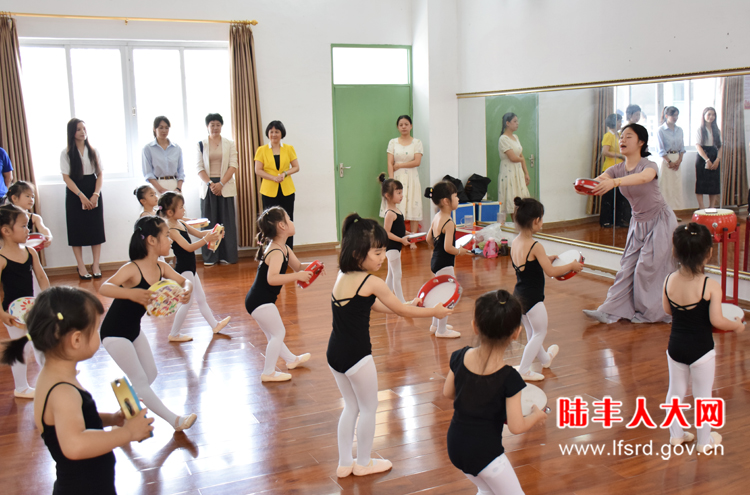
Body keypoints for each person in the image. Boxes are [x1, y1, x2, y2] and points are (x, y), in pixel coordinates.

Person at [328, 213, 451, 478]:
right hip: (357, 356)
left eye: (383, 251)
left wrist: (406, 304)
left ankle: (344, 463)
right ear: (358, 252)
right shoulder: (371, 282)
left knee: (351, 406)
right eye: (377, 253)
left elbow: (374, 305)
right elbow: (399, 310)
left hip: (334, 354)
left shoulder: (342, 276)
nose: (383, 258)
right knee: (369, 408)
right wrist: (434, 312)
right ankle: (363, 463)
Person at [0, 287, 153, 494]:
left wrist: (111, 419)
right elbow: (75, 445)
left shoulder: (52, 376)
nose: (98, 334)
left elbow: (72, 420)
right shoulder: (63, 391)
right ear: (77, 340)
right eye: (96, 329)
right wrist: (128, 432)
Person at [444, 290, 547, 495]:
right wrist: (536, 416)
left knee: (486, 490)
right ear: (516, 333)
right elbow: (516, 426)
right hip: (487, 456)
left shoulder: (459, 356)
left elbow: (448, 392)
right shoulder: (510, 378)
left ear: (475, 326)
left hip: (455, 446)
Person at [99, 216, 197, 431]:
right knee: (141, 379)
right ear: (152, 240)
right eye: (167, 236)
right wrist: (131, 293)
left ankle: (123, 412)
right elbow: (104, 287)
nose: (170, 240)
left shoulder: (161, 267)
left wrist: (187, 290)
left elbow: (184, 280)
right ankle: (175, 420)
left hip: (134, 330)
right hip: (114, 333)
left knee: (150, 374)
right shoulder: (132, 268)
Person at [583, 124, 678, 324]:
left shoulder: (649, 165)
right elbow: (599, 180)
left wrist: (615, 182)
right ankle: (609, 311)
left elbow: (644, 178)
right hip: (638, 223)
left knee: (646, 267)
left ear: (641, 142)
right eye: (621, 137)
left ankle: (650, 313)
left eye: (628, 136)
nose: (622, 140)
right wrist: (585, 186)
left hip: (660, 220)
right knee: (627, 267)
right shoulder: (616, 169)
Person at [662, 223, 744, 452]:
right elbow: (717, 320)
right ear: (709, 253)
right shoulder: (710, 285)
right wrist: (736, 326)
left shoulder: (668, 280)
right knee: (703, 396)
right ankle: (703, 442)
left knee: (675, 392)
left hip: (675, 348)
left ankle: (676, 436)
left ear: (675, 251)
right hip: (701, 350)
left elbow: (668, 310)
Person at [511, 197, 581, 381]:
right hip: (533, 298)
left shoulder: (515, 242)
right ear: (536, 221)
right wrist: (571, 265)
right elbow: (551, 272)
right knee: (540, 333)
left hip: (519, 295)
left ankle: (545, 359)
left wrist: (545, 259)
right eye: (541, 218)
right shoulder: (535, 246)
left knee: (532, 332)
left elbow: (528, 264)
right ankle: (524, 369)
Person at [245, 207, 314, 382]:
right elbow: (272, 279)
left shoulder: (284, 248)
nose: (292, 222)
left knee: (273, 334)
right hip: (260, 301)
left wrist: (316, 266)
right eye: (289, 219)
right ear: (282, 226)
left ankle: (291, 360)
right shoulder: (275, 251)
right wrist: (298, 277)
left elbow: (298, 267)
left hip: (258, 300)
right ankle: (268, 372)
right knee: (278, 333)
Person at [159, 192, 230, 342]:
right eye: (181, 207)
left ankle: (215, 325)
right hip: (184, 269)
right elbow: (189, 247)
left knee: (201, 298)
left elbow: (199, 233)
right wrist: (207, 239)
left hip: (190, 268)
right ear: (170, 212)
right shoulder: (171, 230)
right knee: (187, 302)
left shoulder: (181, 223)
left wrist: (214, 233)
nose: (184, 209)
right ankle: (174, 334)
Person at [0, 204, 49, 398]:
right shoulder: (1, 259)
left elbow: (41, 277)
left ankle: (51, 376)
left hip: (31, 308)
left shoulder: (30, 252)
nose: (28, 230)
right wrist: (2, 314)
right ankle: (21, 388)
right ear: (6, 231)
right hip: (12, 312)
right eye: (23, 226)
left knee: (41, 342)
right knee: (21, 347)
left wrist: (47, 298)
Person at [60, 119, 105, 280]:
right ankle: (80, 265)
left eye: (84, 129)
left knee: (96, 228)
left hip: (93, 189)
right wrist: (81, 196)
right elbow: (66, 177)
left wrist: (95, 194)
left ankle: (96, 264)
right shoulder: (66, 153)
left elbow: (100, 174)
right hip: (75, 192)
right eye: (78, 129)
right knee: (76, 229)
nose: (82, 132)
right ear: (72, 132)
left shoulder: (93, 151)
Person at [425, 181, 470, 338]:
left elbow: (428, 239)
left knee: (440, 293)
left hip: (436, 262)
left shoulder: (437, 216)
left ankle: (435, 325)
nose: (458, 199)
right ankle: (442, 330)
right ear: (446, 201)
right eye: (456, 196)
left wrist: (437, 249)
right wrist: (460, 251)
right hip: (445, 264)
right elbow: (448, 248)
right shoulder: (449, 222)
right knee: (448, 296)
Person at [196, 113, 238, 265]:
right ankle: (210, 257)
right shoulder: (201, 144)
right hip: (208, 187)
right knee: (210, 222)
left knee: (227, 222)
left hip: (225, 185)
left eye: (218, 124)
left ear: (221, 126)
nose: (215, 127)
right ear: (207, 126)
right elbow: (199, 168)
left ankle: (228, 256)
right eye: (212, 124)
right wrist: (211, 184)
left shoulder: (229, 143)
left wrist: (221, 183)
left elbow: (233, 165)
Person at [254, 120, 300, 249]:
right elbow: (258, 170)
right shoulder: (261, 150)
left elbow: (296, 167)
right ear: (268, 133)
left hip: (287, 190)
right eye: (271, 132)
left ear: (282, 133)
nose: (274, 134)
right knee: (270, 222)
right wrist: (273, 178)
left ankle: (288, 251)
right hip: (268, 191)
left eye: (277, 132)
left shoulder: (289, 148)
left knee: (287, 221)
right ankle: (271, 250)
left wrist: (285, 173)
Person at [379, 115, 424, 233]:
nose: (404, 127)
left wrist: (399, 165)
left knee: (413, 206)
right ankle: (395, 235)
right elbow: (390, 163)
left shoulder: (417, 142)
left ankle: (413, 237)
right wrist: (391, 180)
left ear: (411, 126)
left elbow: (417, 162)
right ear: (397, 127)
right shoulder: (393, 142)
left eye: (406, 124)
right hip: (397, 177)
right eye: (401, 125)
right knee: (396, 206)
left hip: (412, 178)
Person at [379, 173, 409, 303]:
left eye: (401, 192)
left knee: (391, 275)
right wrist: (401, 240)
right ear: (388, 195)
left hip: (396, 247)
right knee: (397, 274)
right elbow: (386, 233)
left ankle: (385, 300)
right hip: (392, 248)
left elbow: (398, 229)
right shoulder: (390, 213)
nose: (401, 196)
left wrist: (408, 233)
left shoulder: (397, 211)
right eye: (398, 193)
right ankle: (401, 302)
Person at [497, 113, 530, 225]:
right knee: (510, 199)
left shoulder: (516, 137)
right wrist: (521, 159)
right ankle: (504, 227)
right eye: (514, 121)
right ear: (507, 123)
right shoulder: (503, 139)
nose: (517, 123)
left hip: (518, 172)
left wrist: (526, 173)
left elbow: (520, 156)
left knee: (519, 201)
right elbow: (513, 158)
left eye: (517, 121)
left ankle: (519, 227)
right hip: (508, 172)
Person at [599, 113, 631, 228]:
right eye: (619, 121)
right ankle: (606, 220)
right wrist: (620, 156)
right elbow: (605, 152)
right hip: (610, 168)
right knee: (608, 196)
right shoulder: (608, 135)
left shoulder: (620, 135)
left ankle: (618, 220)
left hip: (621, 168)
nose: (620, 123)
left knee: (620, 196)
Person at [142, 116, 185, 194]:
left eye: (166, 128)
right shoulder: (148, 148)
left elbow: (181, 171)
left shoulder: (176, 148)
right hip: (158, 185)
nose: (164, 131)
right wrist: (161, 189)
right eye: (161, 128)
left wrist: (178, 188)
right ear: (154, 129)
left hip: (175, 185)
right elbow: (148, 173)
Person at [5, 181, 53, 248]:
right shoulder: (6, 216)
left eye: (32, 197)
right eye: (27, 196)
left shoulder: (34, 217)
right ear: (14, 198)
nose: (31, 200)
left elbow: (43, 229)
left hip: (26, 249)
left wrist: (48, 236)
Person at [656, 106, 685, 214]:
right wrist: (669, 162)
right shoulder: (661, 130)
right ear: (666, 116)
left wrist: (679, 160)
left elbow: (682, 147)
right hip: (666, 160)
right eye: (673, 115)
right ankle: (664, 213)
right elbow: (660, 149)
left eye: (677, 115)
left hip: (677, 158)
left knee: (675, 187)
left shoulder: (679, 130)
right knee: (665, 187)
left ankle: (674, 214)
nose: (675, 117)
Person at [695, 107, 722, 209]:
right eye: (709, 114)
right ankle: (701, 207)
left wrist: (717, 160)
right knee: (701, 182)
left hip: (714, 155)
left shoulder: (717, 130)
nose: (711, 117)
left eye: (713, 115)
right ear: (704, 115)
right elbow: (698, 146)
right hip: (702, 156)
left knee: (714, 183)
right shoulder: (699, 130)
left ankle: (712, 207)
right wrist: (707, 160)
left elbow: (720, 147)